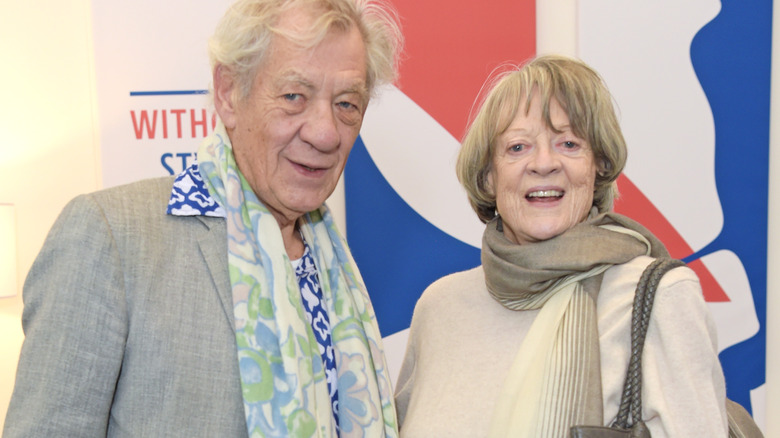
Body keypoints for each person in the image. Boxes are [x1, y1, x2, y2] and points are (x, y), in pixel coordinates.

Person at [4, 0, 402, 436]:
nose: (325, 132)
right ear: (229, 92)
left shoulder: (335, 266)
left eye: (347, 104)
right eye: (294, 96)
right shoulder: (111, 238)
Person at [394, 55, 728, 437]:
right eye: (518, 147)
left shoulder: (659, 298)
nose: (544, 163)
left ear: (598, 165)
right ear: (488, 176)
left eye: (568, 143)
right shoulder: (440, 309)